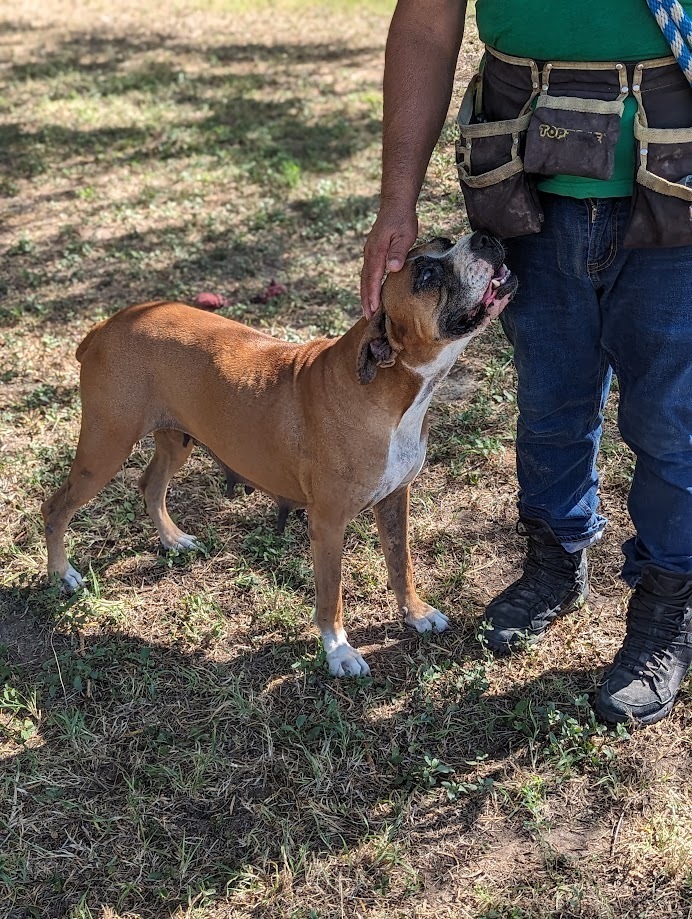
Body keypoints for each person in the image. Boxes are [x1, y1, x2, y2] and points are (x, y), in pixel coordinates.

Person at [361, 0, 692, 725]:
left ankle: (669, 606)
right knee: (550, 401)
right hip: (524, 179)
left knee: (673, 422)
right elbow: (425, 22)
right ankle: (554, 559)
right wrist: (397, 198)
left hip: (680, 184)